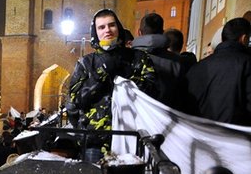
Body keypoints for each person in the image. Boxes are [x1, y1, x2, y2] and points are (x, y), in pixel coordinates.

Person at [66, 8, 156, 155]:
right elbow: (75, 101)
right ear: (95, 32)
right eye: (101, 27)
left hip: (132, 138)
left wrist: (126, 76)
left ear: (118, 28)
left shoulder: (138, 58)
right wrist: (100, 74)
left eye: (111, 25)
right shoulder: (86, 63)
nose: (107, 30)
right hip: (95, 142)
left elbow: (152, 92)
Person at [185, 17, 251, 126]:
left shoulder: (197, 67)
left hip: (199, 134)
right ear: (244, 39)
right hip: (233, 138)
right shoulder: (247, 64)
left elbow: (186, 104)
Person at [132, 13, 185, 109]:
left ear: (139, 32)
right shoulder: (177, 62)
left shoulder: (129, 56)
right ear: (163, 32)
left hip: (136, 118)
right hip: (167, 118)